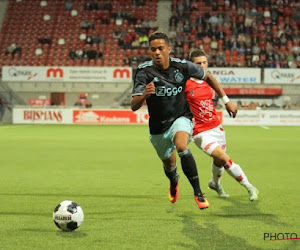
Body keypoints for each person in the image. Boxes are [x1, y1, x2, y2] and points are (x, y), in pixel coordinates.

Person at [131, 32, 237, 210]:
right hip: (158, 127)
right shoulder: (144, 71)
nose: (157, 52)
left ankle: (198, 192)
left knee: (181, 145)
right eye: (153, 49)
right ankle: (174, 180)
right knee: (169, 164)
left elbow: (208, 76)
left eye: (160, 48)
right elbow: (134, 106)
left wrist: (226, 101)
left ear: (168, 49)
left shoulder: (182, 66)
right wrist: (145, 95)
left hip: (181, 117)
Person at [185, 50, 259, 201]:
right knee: (224, 158)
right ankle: (249, 186)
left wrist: (227, 101)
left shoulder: (207, 80)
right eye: (198, 63)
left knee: (218, 161)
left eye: (204, 62)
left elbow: (215, 85)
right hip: (199, 131)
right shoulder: (185, 83)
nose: (202, 66)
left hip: (216, 127)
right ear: (192, 65)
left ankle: (215, 184)